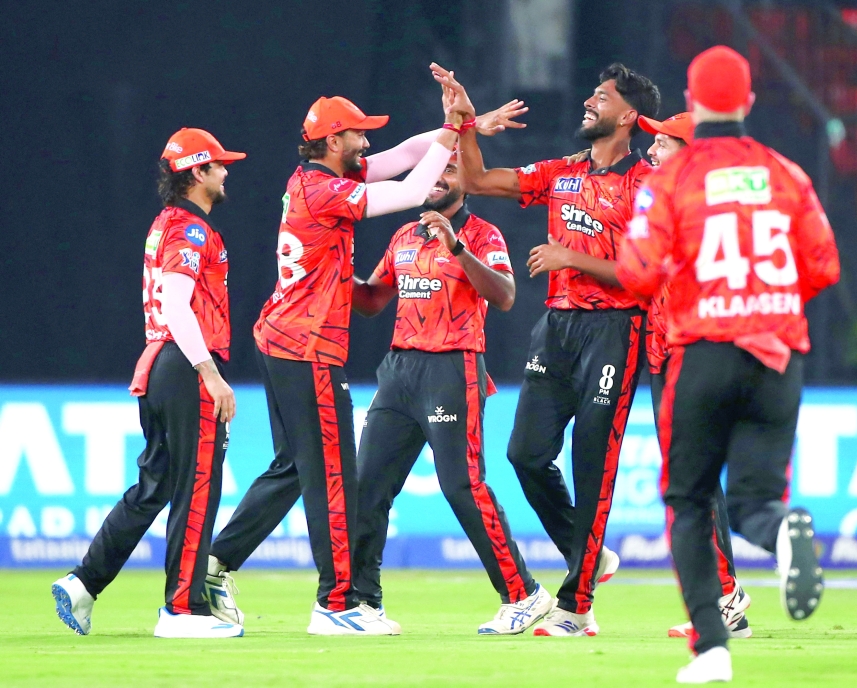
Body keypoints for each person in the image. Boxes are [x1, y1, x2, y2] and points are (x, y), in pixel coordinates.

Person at [205, 71, 524, 636]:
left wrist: (464, 125)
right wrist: (456, 129)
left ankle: (215, 565)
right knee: (333, 475)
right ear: (333, 140)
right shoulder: (327, 191)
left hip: (282, 337)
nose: (367, 141)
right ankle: (337, 604)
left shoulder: (317, 178)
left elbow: (406, 154)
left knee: (293, 467)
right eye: (357, 133)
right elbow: (409, 189)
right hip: (308, 344)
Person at [616, 46, 840, 683]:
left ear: (692, 102)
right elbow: (824, 266)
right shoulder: (786, 174)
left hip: (704, 354)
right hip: (777, 356)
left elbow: (637, 273)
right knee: (754, 501)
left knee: (688, 502)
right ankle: (781, 531)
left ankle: (712, 650)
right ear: (748, 102)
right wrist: (766, 301)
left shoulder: (670, 181)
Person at [437, 62, 660, 636]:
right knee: (525, 454)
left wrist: (570, 258)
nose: (589, 101)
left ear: (628, 116)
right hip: (557, 328)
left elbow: (646, 275)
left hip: (616, 330)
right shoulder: (562, 171)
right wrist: (464, 123)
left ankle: (576, 607)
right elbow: (478, 180)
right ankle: (588, 555)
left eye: (602, 97)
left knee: (592, 466)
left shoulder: (646, 185)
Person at [52, 128, 247, 639]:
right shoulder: (190, 229)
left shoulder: (165, 223)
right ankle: (183, 610)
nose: (226, 171)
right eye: (218, 164)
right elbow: (176, 304)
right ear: (197, 172)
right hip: (186, 366)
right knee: (197, 486)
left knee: (155, 485)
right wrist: (210, 373)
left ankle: (84, 582)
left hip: (162, 363)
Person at [350, 154, 552, 635]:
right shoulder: (404, 235)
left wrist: (456, 247)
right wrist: (333, 273)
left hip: (452, 367)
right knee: (367, 485)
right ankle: (363, 601)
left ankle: (523, 594)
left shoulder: (483, 234)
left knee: (462, 486)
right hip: (399, 371)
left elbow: (505, 296)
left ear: (466, 183)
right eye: (433, 170)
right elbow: (373, 300)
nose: (438, 178)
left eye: (449, 171)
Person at [641, 112, 752, 641]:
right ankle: (724, 599)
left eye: (662, 144)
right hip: (668, 353)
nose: (652, 151)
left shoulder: (705, 207)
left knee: (694, 479)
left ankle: (725, 596)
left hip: (693, 352)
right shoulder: (673, 200)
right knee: (693, 479)